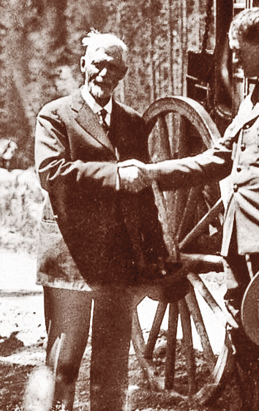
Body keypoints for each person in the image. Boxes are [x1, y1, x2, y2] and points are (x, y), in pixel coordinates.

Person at [119, 7, 259, 411]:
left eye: (240, 50)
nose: (233, 59)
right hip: (237, 239)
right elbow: (217, 161)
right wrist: (153, 172)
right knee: (241, 335)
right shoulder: (253, 98)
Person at [34, 30, 167, 411]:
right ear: (83, 66)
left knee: (112, 369)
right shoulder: (56, 115)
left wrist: (155, 253)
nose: (105, 73)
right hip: (70, 262)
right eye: (99, 63)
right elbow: (52, 174)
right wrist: (115, 176)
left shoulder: (133, 123)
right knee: (64, 363)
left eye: (114, 67)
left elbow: (143, 199)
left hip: (118, 263)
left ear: (123, 74)